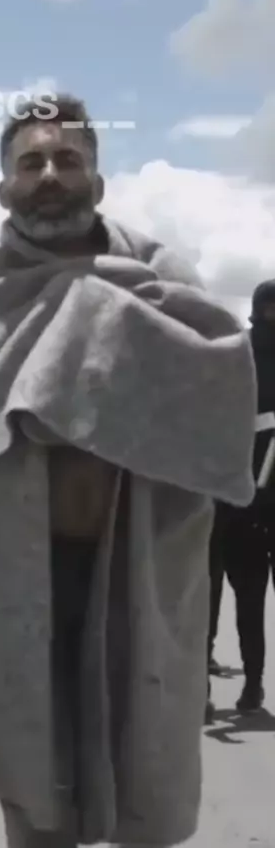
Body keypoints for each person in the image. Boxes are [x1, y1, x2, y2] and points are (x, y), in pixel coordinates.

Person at [0, 95, 256, 847]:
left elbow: (219, 386)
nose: (49, 174)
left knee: (141, 762)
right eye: (31, 162)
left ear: (97, 182)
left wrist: (86, 322)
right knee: (31, 779)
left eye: (68, 159)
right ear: (5, 187)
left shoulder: (157, 275)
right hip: (13, 577)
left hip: (138, 564)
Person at [208, 279, 275, 714]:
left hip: (261, 501)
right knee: (241, 600)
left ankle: (252, 685)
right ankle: (248, 684)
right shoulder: (236, 355)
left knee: (248, 599)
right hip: (237, 500)